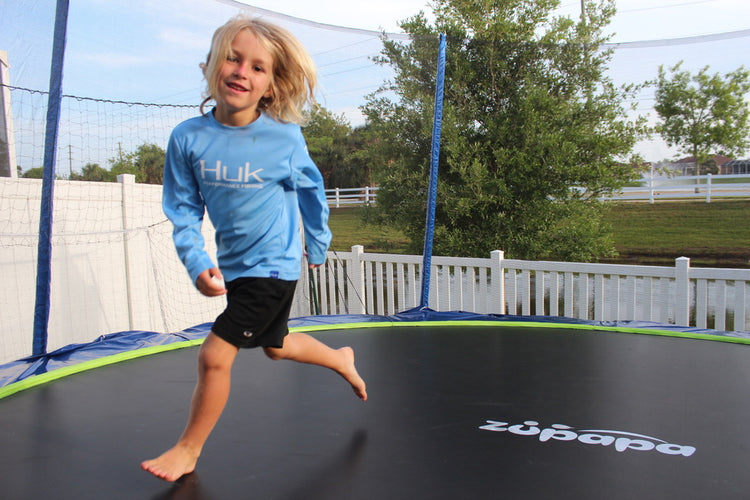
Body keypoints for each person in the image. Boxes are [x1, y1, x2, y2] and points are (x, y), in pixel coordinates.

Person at [141, 15, 367, 482]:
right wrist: (197, 262)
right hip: (235, 267)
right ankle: (340, 357)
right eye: (232, 57)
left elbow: (311, 190)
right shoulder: (188, 138)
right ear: (211, 64)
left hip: (275, 266)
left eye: (258, 67)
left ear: (270, 85)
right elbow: (183, 210)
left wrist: (319, 243)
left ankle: (189, 449)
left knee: (214, 356)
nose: (242, 70)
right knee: (276, 348)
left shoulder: (282, 137)